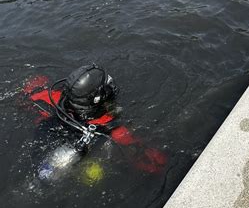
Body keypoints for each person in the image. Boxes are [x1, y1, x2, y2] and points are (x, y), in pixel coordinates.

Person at [22, 63, 167, 182]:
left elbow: (31, 85)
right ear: (98, 99)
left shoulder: (48, 97)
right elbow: (156, 164)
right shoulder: (114, 130)